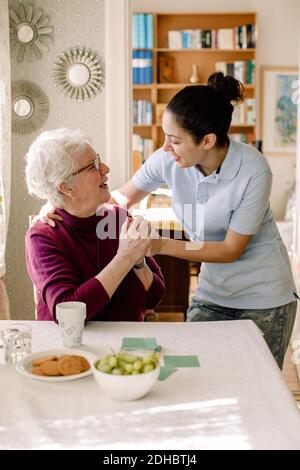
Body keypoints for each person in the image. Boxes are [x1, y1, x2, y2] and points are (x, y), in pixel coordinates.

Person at [43, 73, 297, 369]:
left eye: (175, 140)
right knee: (199, 375)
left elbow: (230, 249)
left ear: (207, 140)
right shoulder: (169, 160)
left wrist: (161, 244)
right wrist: (57, 209)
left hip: (263, 296)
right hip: (213, 292)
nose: (165, 147)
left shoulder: (253, 170)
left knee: (257, 386)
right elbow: (120, 199)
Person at [25, 128, 165, 322]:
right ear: (67, 188)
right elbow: (67, 312)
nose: (106, 168)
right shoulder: (43, 236)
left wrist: (138, 262)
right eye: (93, 165)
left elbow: (154, 297)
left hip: (126, 347)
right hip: (70, 347)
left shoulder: (119, 219)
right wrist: (126, 258)